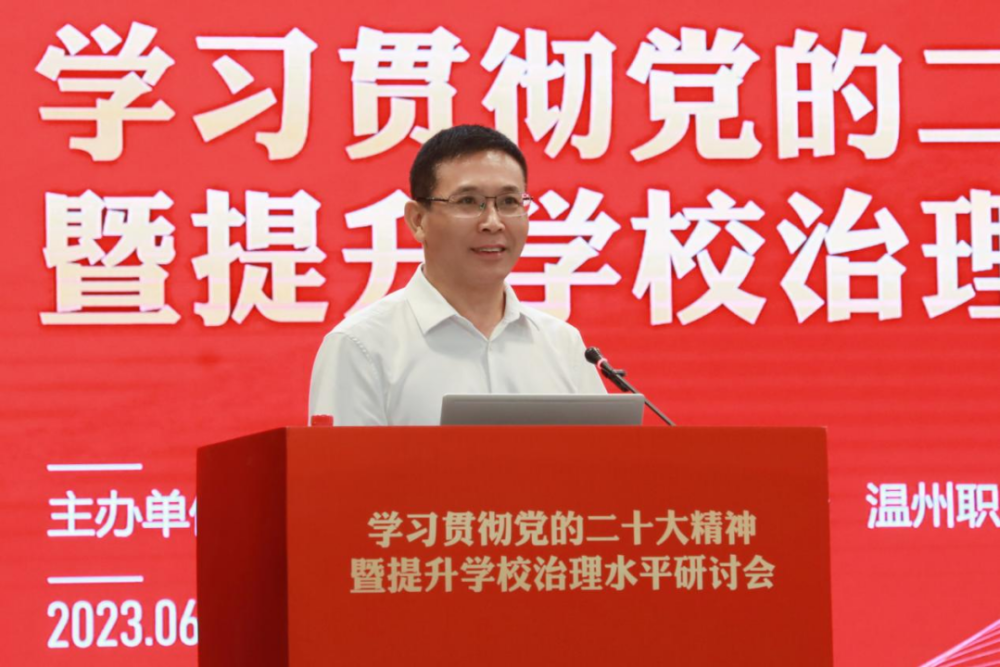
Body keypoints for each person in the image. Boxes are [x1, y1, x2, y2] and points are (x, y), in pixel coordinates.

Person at [309, 125, 606, 425]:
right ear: (418, 220)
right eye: (467, 201)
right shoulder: (361, 346)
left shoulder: (563, 345)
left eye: (508, 202)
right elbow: (341, 458)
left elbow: (602, 454)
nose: (493, 222)